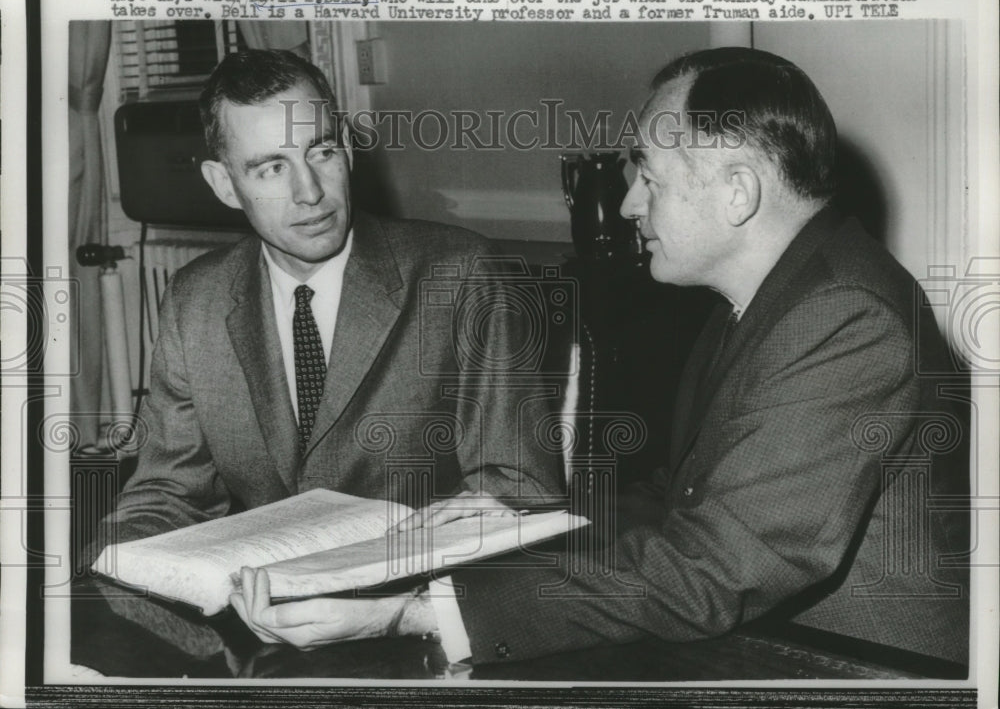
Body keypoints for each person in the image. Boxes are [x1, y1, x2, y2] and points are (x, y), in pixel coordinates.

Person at [230, 47, 969, 671]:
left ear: (738, 191)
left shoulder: (845, 320)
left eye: (647, 175)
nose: (627, 206)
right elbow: (678, 499)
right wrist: (517, 522)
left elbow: (708, 572)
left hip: (849, 668)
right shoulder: (768, 298)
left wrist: (412, 613)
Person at [88, 49, 562, 559]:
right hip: (261, 594)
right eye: (272, 168)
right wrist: (99, 570)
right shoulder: (196, 299)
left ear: (348, 151)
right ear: (224, 185)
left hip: (423, 587)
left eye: (322, 152)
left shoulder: (460, 274)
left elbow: (522, 489)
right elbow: (168, 494)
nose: (309, 192)